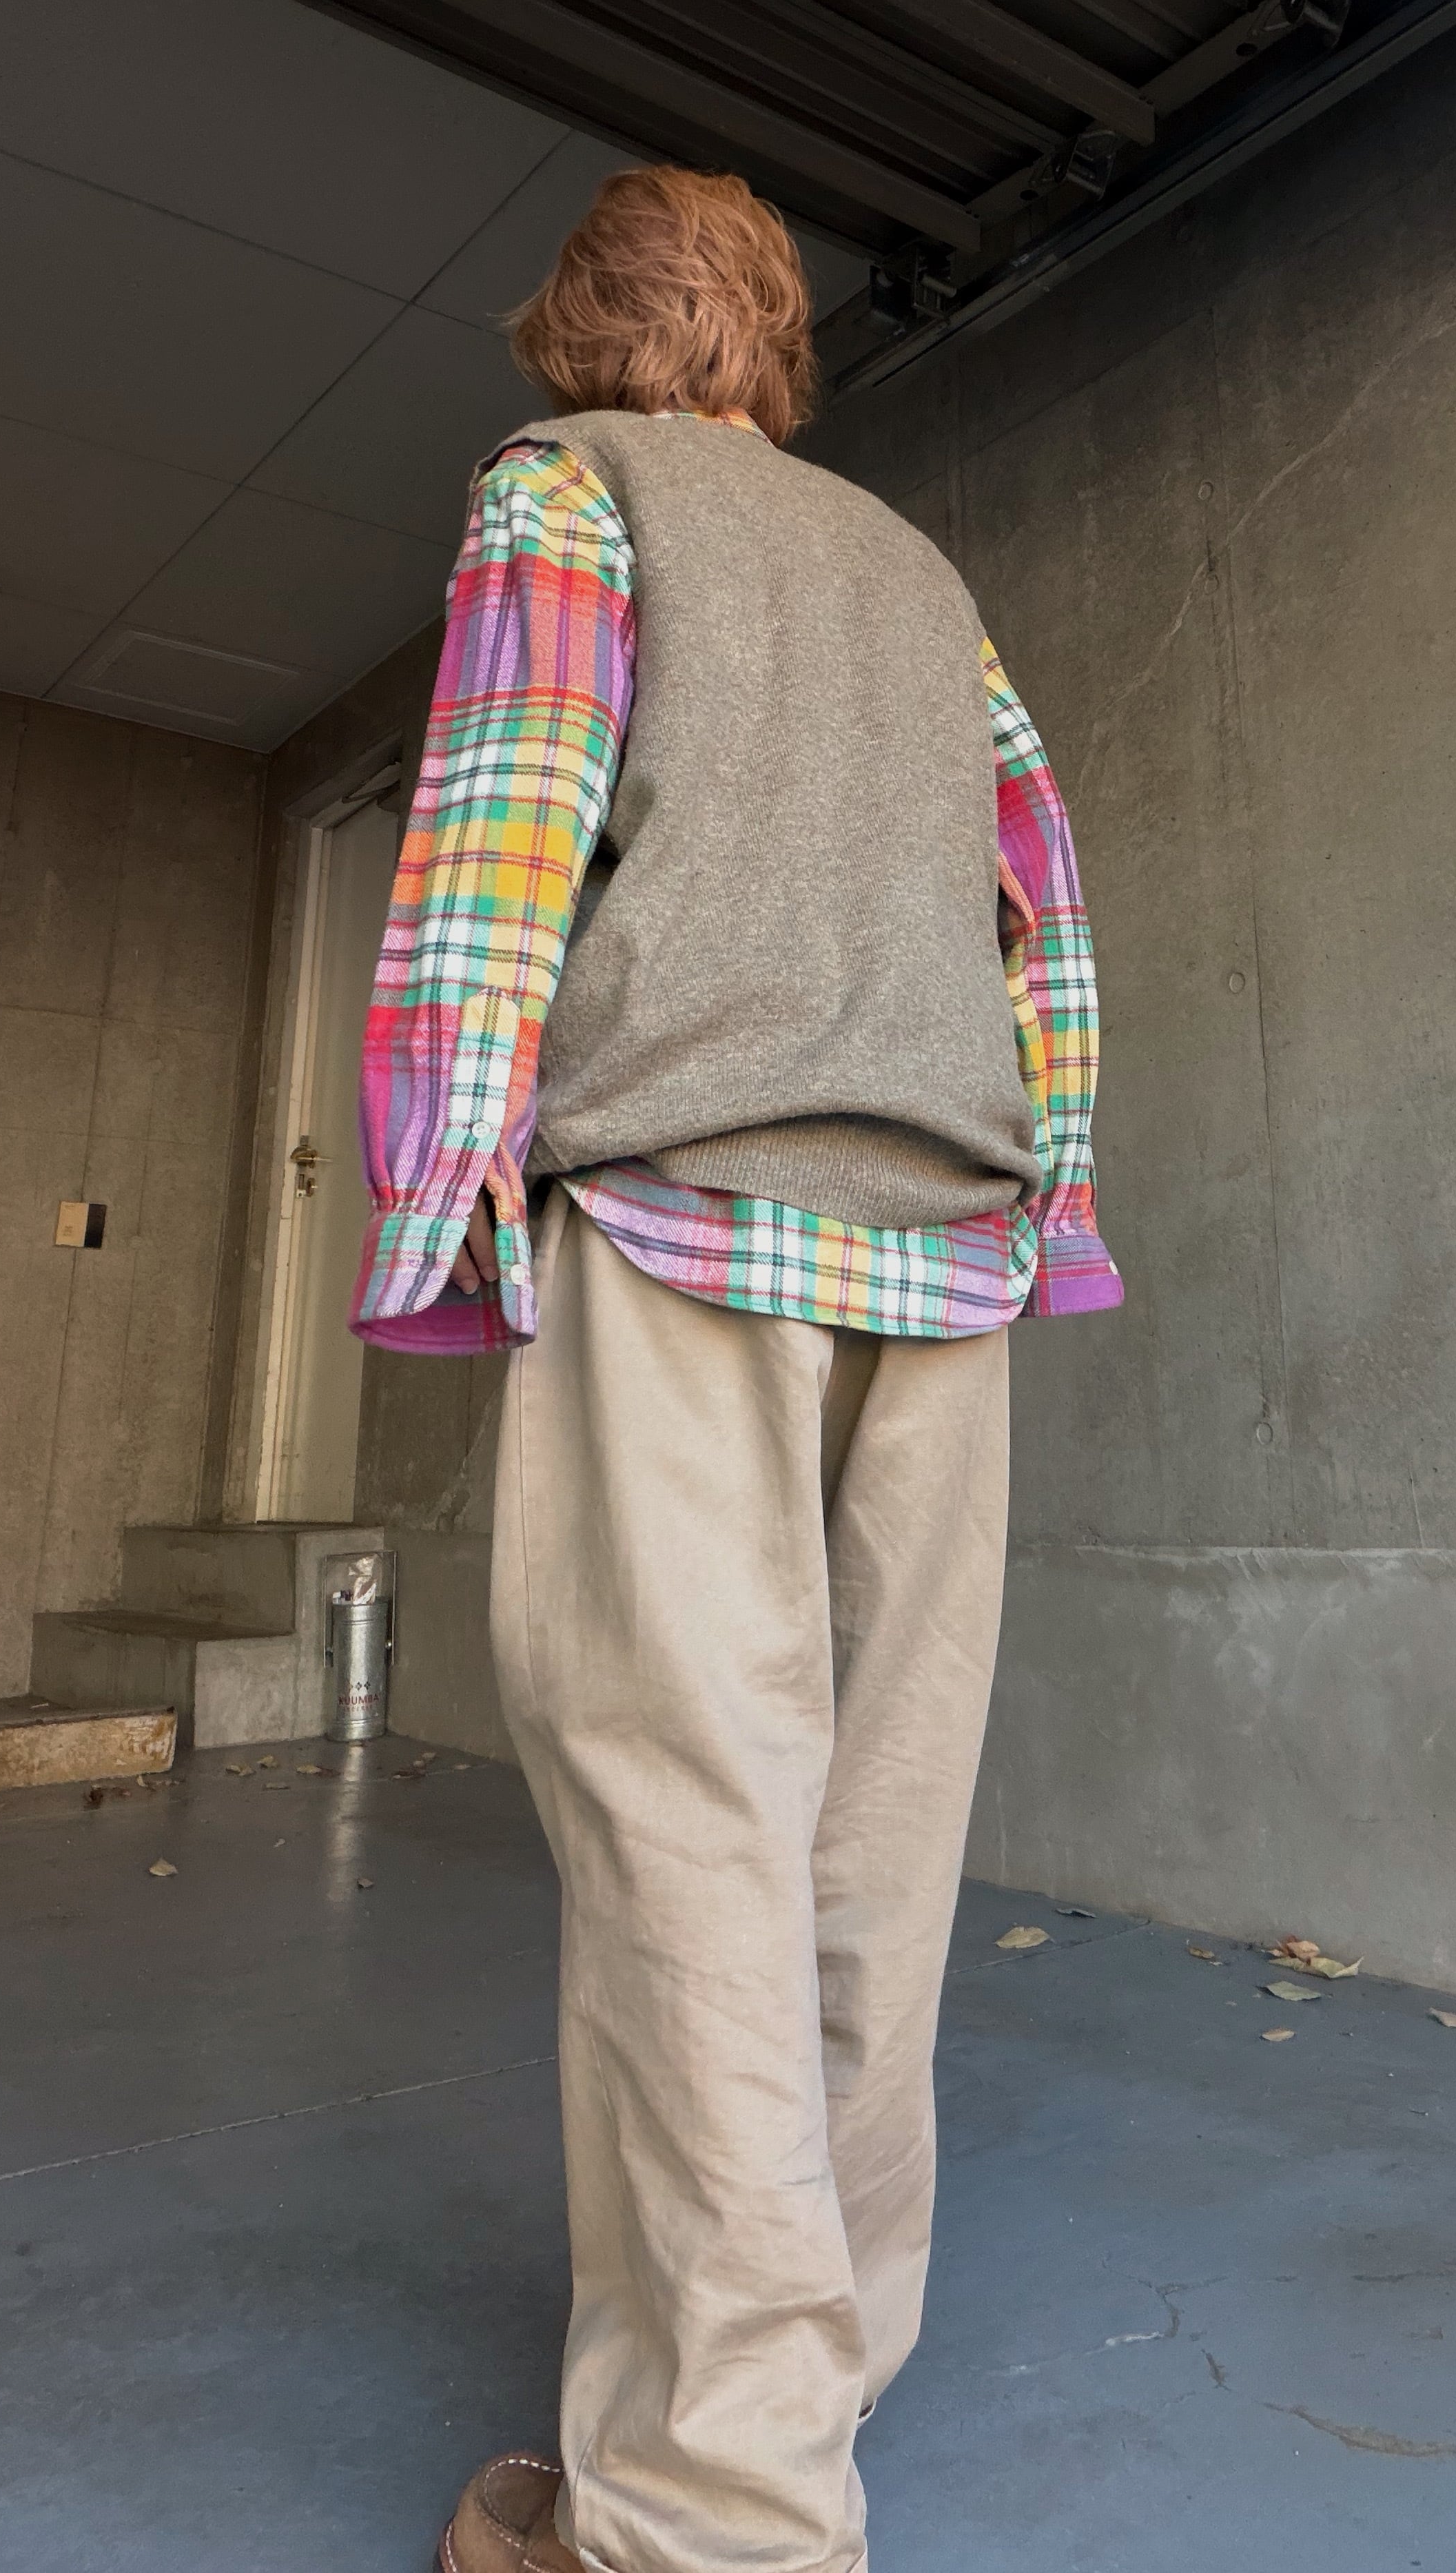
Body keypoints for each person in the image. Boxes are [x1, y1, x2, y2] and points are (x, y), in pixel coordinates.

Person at [349, 164, 1120, 2573]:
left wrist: (442, 1200)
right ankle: (812, 2381)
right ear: (775, 339)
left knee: (688, 1834)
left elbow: (500, 847)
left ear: (579, 325)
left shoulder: (565, 489)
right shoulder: (915, 574)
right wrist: (1051, 1198)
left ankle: (711, 2520)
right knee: (871, 1851)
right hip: (946, 1247)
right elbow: (1043, 922)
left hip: (688, 1211)